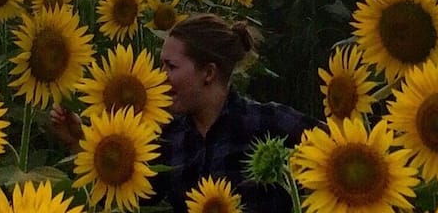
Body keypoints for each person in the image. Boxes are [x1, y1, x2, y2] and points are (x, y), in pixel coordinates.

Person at [51, 13, 316, 212]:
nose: (160, 76)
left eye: (171, 66)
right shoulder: (170, 136)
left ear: (208, 73)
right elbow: (132, 192)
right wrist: (78, 142)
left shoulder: (267, 122)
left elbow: (331, 152)